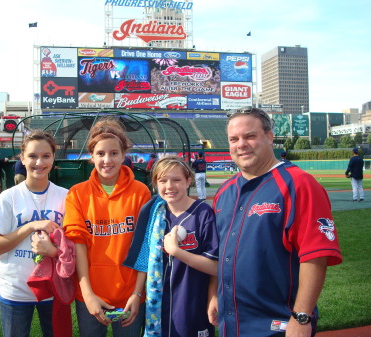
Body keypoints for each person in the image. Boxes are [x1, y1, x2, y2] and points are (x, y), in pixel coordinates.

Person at [209, 106, 343, 337]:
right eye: (234, 139)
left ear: (269, 137)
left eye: (250, 136)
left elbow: (316, 255)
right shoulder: (224, 191)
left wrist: (302, 317)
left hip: (279, 324)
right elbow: (221, 254)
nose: (241, 144)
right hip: (233, 321)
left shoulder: (299, 183)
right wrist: (214, 294)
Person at [63, 117, 151, 337]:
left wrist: (138, 294)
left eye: (114, 153)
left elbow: (145, 247)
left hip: (130, 296)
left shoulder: (140, 192)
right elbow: (78, 246)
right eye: (100, 153)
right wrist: (88, 294)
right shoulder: (77, 194)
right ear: (91, 157)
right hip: (90, 297)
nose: (107, 160)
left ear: (123, 155)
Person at [124, 155, 219, 337]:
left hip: (192, 305)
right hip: (158, 307)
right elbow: (145, 260)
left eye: (176, 180)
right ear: (155, 184)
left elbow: (215, 266)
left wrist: (176, 252)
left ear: (188, 181)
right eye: (163, 181)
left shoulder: (202, 214)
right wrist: (136, 295)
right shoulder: (154, 214)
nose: (169, 186)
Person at [0, 130, 69, 337]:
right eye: (32, 156)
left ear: (53, 158)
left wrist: (52, 250)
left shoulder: (66, 197)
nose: (39, 162)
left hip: (53, 290)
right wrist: (30, 226)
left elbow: (73, 249)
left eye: (45, 156)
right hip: (15, 290)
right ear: (22, 159)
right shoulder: (8, 197)